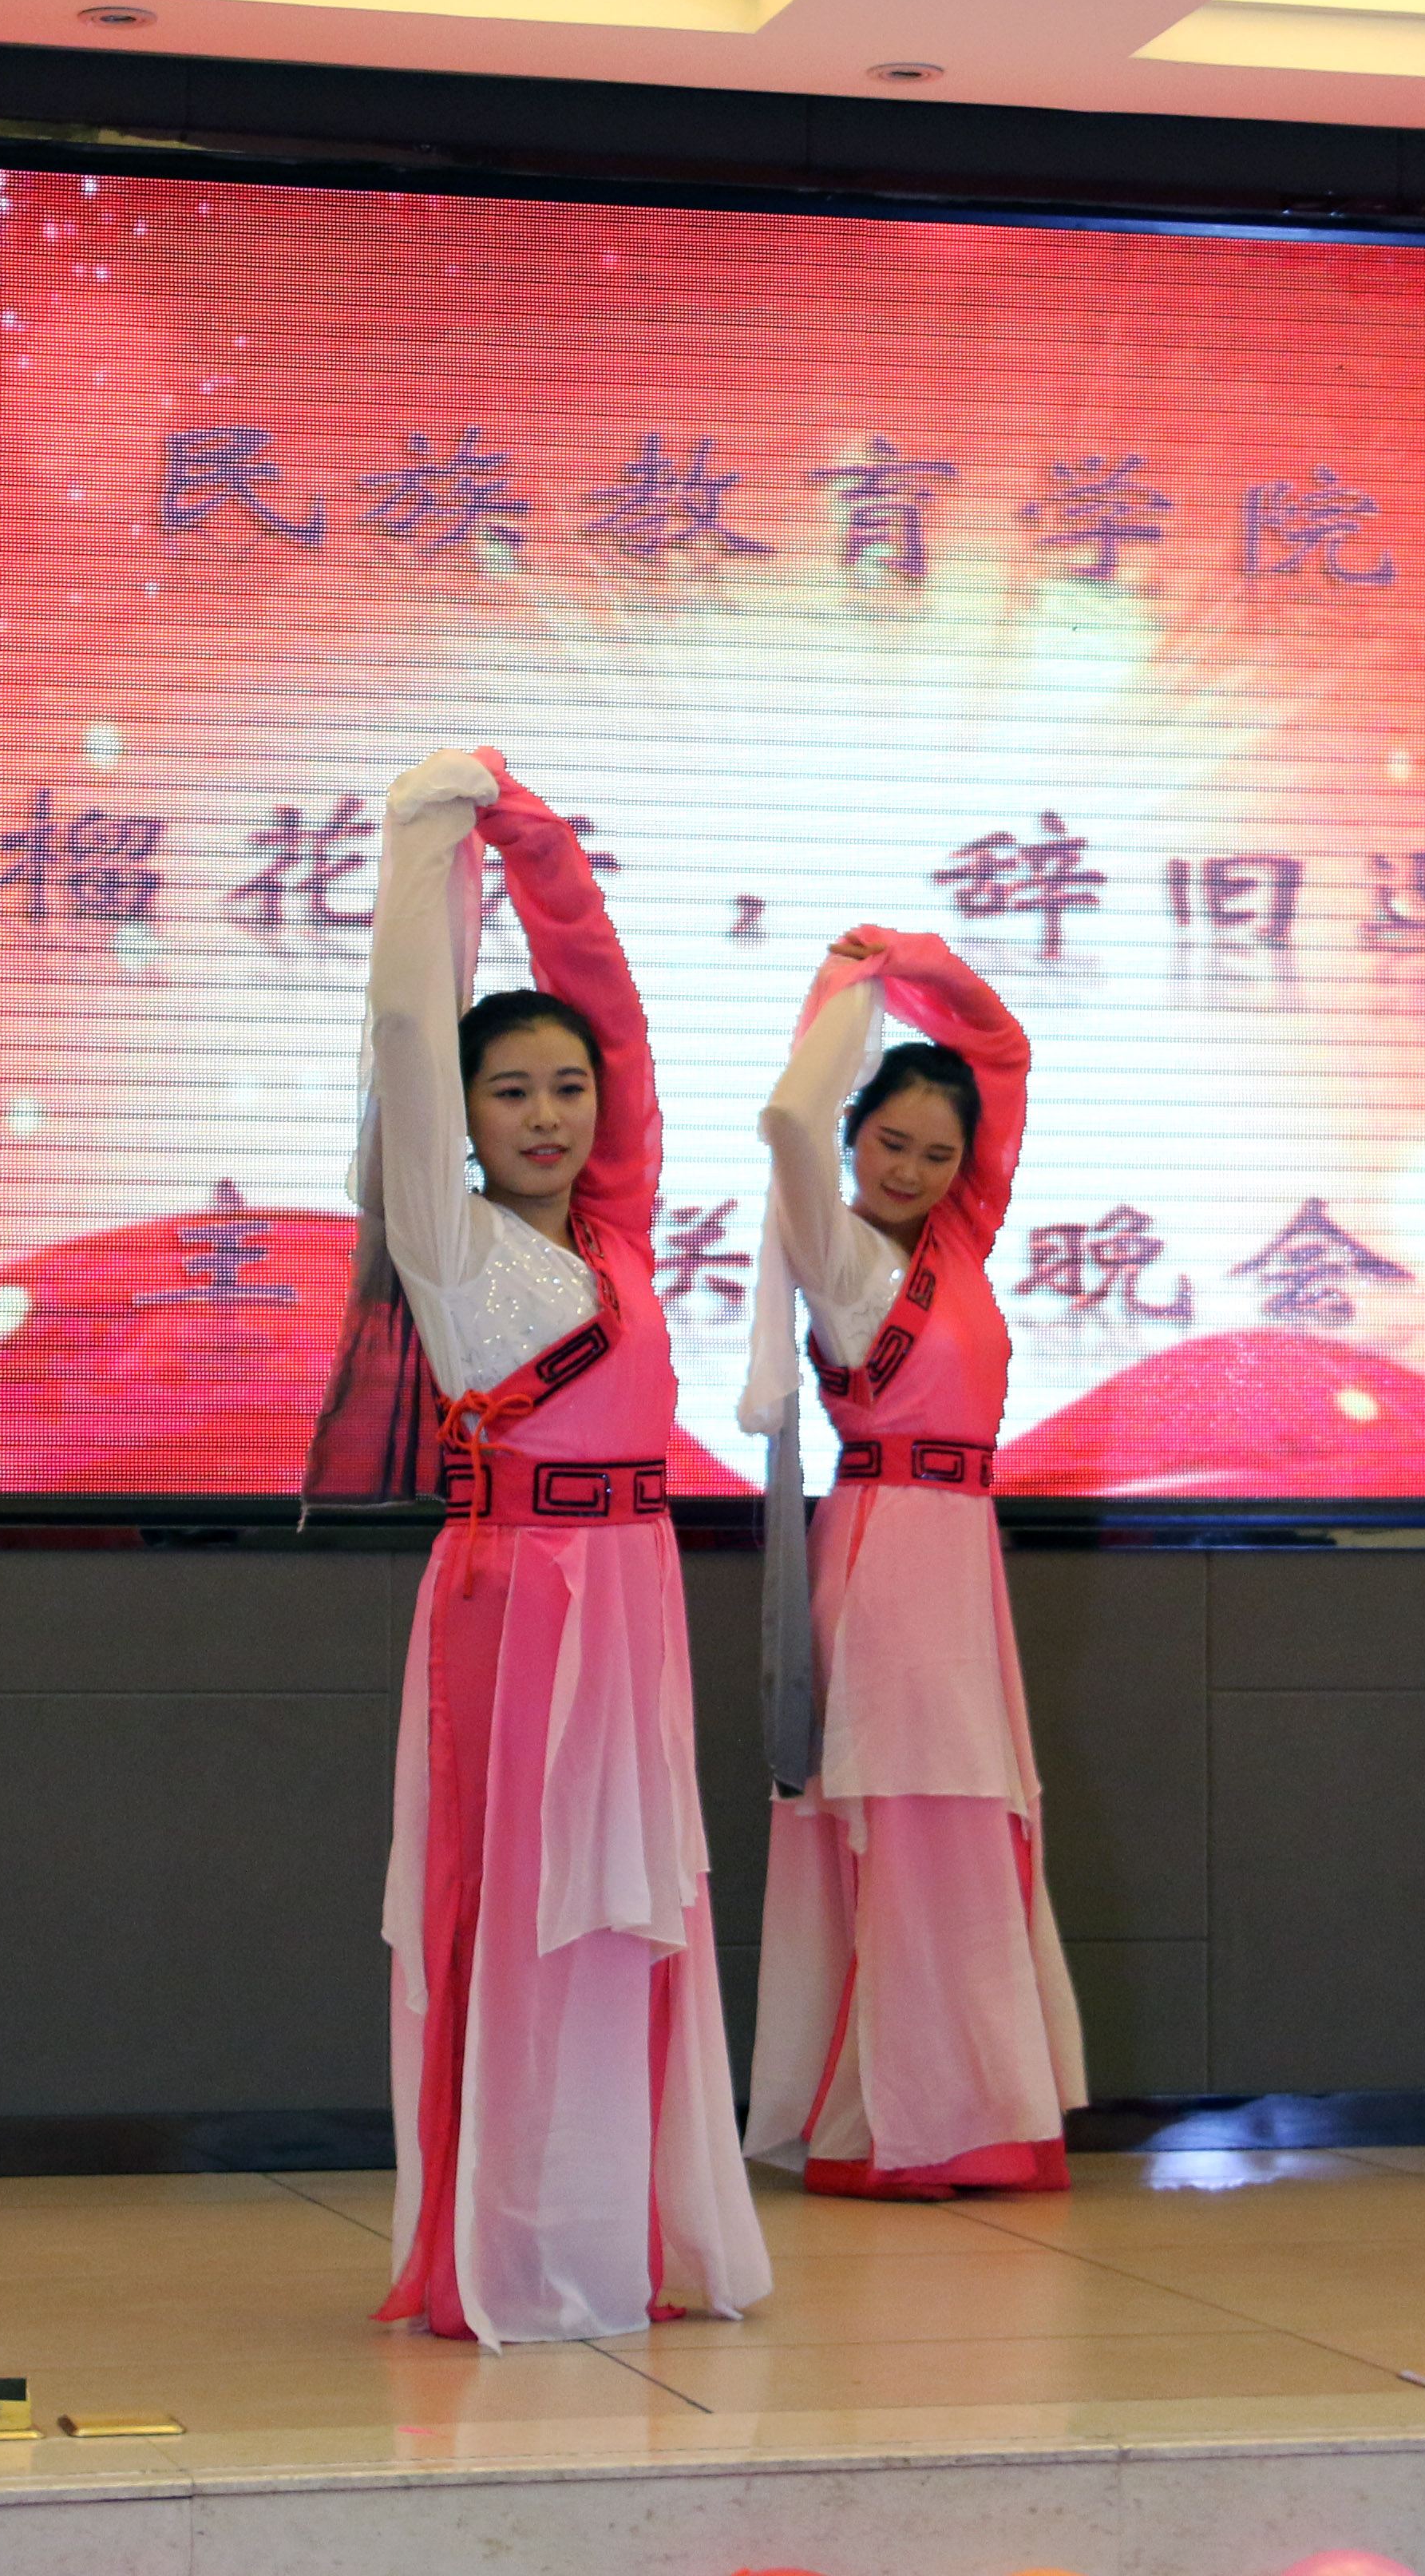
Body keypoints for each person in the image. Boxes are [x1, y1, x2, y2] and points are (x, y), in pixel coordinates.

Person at [347, 747, 770, 2344]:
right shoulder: (443, 1238)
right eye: (510, 1090)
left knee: (628, 1911)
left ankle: (618, 2230)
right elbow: (408, 1029)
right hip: (515, 1599)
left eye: (566, 1088)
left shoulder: (618, 1231)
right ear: (459, 1118)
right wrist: (426, 839)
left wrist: (540, 849)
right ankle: (516, 2251)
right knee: (523, 1911)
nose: (547, 1112)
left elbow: (620, 1018)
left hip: (637, 1600)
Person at [739, 930, 1087, 2198]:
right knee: (902, 1827)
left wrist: (919, 960)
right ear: (854, 1135)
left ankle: (975, 2115)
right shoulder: (834, 1249)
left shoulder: (961, 1238)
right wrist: (850, 988)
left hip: (960, 1556)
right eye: (890, 1142)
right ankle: (889, 2128)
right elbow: (789, 1116)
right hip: (885, 1553)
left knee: (967, 1828)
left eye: (939, 1154)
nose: (912, 1169)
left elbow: (1003, 1051)